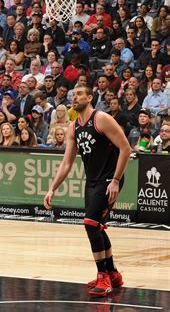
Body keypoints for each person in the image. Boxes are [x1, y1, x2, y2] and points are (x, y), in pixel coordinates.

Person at [44, 85, 132, 297]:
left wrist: (116, 181)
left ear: (90, 97)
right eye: (73, 95)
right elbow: (66, 163)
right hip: (92, 180)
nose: (75, 98)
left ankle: (103, 276)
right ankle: (113, 273)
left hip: (109, 179)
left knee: (90, 224)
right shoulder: (74, 127)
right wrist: (52, 188)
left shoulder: (100, 118)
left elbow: (126, 148)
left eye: (80, 94)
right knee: (97, 226)